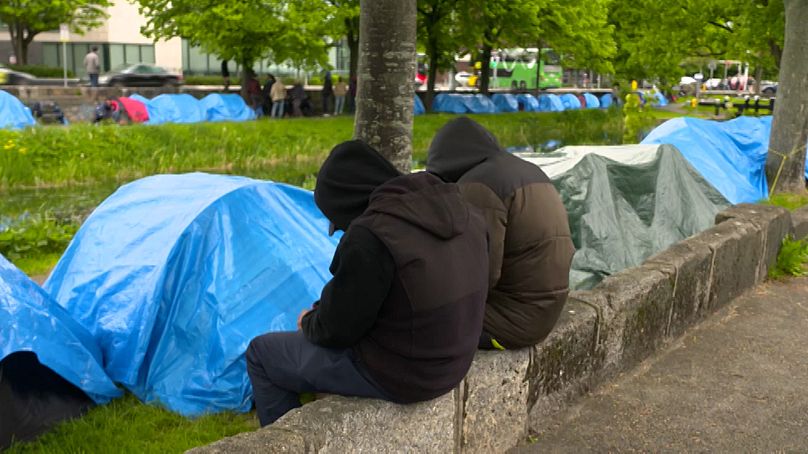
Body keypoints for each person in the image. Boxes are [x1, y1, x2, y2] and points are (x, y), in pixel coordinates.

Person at [246, 140, 489, 426]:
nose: (335, 229)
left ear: (346, 203)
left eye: (336, 219)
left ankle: (286, 442)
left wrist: (310, 320)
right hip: (456, 360)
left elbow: (337, 330)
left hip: (409, 374)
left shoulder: (372, 235)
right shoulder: (461, 208)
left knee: (262, 354)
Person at [426, 117, 575, 350]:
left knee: (409, 317)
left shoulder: (477, 186)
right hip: (546, 311)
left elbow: (479, 274)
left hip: (508, 324)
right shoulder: (526, 169)